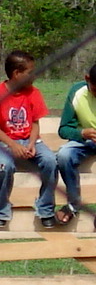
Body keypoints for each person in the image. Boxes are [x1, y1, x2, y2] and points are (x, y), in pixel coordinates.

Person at [0, 50, 58, 228]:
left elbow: (35, 123)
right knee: (4, 167)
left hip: (30, 139)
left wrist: (32, 143)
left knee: (50, 161)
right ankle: (1, 209)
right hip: (5, 141)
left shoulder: (33, 93)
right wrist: (13, 145)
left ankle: (45, 208)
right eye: (30, 72)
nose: (34, 76)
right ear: (17, 73)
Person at [56, 63, 96, 225]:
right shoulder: (77, 92)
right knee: (63, 155)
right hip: (85, 141)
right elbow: (64, 129)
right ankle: (73, 203)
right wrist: (82, 133)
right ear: (87, 79)